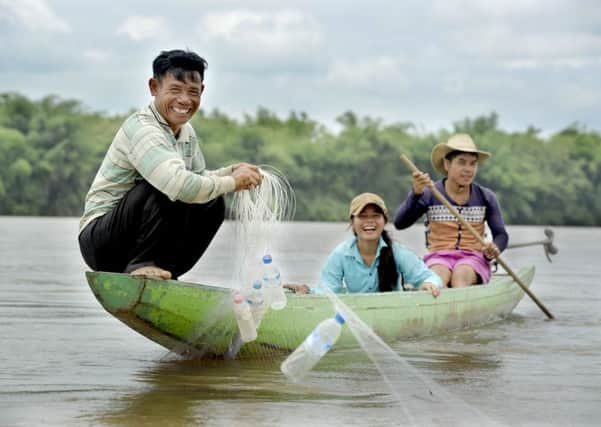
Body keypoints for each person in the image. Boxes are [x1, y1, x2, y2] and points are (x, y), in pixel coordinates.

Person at [78, 49, 263, 280]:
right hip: (101, 243)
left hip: (135, 240)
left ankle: (166, 270)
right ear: (154, 88)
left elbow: (199, 177)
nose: (184, 100)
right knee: (163, 187)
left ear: (202, 92)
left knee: (212, 203)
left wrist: (231, 172)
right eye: (175, 90)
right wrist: (232, 182)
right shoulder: (144, 129)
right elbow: (178, 185)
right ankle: (141, 264)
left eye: (193, 92)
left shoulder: (185, 131)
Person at [393, 133, 508, 288]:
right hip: (438, 257)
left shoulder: (486, 197)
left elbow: (501, 234)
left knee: (460, 276)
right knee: (437, 278)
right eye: (462, 162)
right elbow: (400, 223)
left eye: (473, 164)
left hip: (473, 258)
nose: (468, 169)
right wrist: (415, 194)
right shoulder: (430, 194)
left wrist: (495, 248)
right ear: (447, 165)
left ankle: (460, 308)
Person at [285, 193, 442, 297]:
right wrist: (307, 291)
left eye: (375, 215)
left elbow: (430, 277)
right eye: (362, 216)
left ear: (384, 221)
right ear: (352, 222)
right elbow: (328, 291)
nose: (369, 221)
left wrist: (429, 284)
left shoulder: (397, 252)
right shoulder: (341, 254)